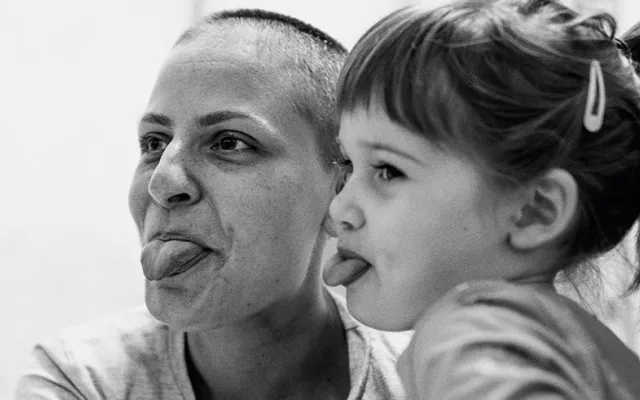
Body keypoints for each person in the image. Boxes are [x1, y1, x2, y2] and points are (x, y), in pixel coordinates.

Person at [16, 9, 407, 400]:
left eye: (229, 142)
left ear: (340, 190)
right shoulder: (80, 380)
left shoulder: (427, 383)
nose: (162, 182)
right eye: (154, 143)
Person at [323, 0, 640, 398]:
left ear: (534, 211)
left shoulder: (471, 331)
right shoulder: (567, 342)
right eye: (348, 164)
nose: (339, 210)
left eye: (388, 170)